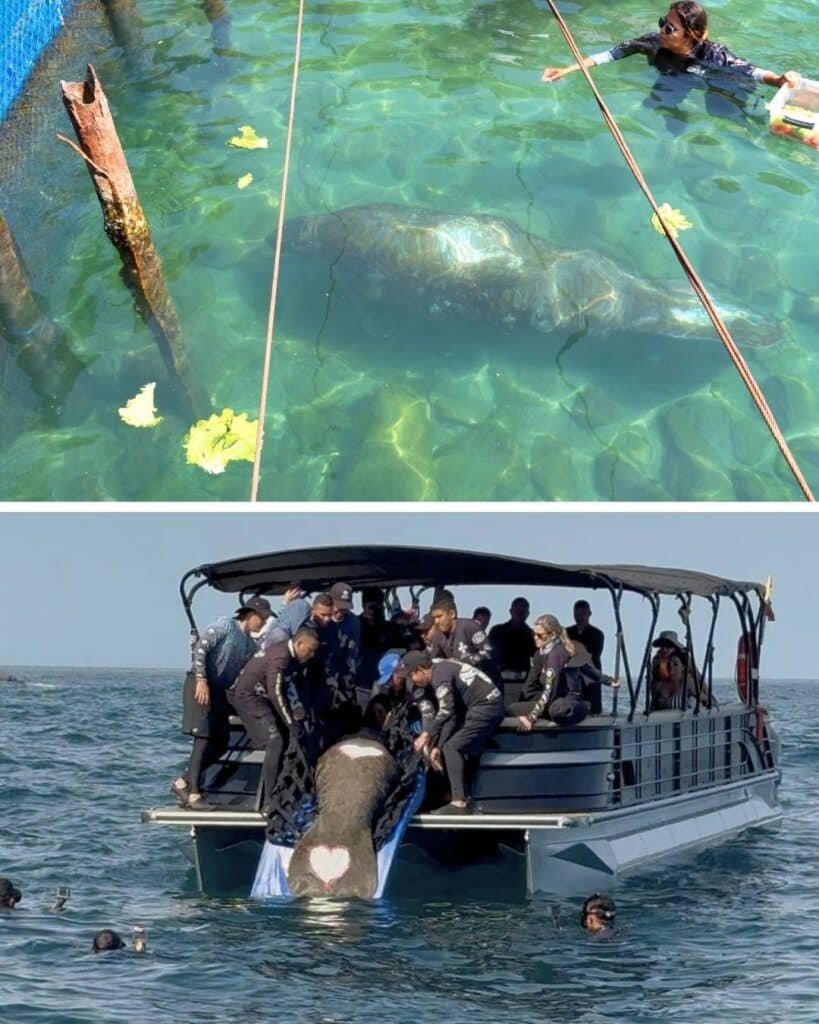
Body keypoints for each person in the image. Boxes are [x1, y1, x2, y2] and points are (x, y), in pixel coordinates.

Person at [541, 2, 800, 90]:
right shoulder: (653, 43)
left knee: (721, 107)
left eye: (670, 28)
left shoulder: (713, 54)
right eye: (664, 22)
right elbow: (610, 55)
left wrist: (778, 80)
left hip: (716, 81)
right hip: (673, 78)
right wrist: (567, 69)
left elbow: (751, 71)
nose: (662, 29)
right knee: (658, 105)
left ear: (693, 35)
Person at [174, 596, 272, 810]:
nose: (263, 623)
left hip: (219, 690)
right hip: (200, 684)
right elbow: (201, 648)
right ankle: (193, 794)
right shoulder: (225, 625)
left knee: (221, 740)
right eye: (262, 618)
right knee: (204, 737)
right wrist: (201, 679)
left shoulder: (250, 644)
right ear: (251, 614)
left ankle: (183, 781)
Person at [229, 628, 320, 813]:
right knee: (275, 741)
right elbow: (276, 691)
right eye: (310, 650)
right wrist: (290, 722)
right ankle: (269, 799)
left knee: (289, 739)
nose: (312, 655)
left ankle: (287, 788)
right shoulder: (281, 657)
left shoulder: (291, 658)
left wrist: (298, 711)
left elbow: (290, 687)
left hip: (262, 697)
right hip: (249, 697)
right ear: (299, 644)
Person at [402, 650, 504, 814]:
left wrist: (426, 735)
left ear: (420, 670)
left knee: (452, 748)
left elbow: (446, 710)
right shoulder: (439, 665)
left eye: (411, 676)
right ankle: (466, 797)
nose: (412, 681)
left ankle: (458, 802)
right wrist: (438, 747)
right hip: (482, 707)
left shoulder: (439, 678)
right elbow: (452, 717)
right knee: (452, 747)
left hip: (486, 708)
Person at [511, 616, 618, 730]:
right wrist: (609, 681)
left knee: (555, 710)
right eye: (534, 634)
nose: (535, 638)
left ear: (552, 635)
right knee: (514, 708)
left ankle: (581, 709)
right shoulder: (541, 654)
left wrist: (532, 717)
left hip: (566, 703)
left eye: (540, 635)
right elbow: (587, 669)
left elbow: (549, 690)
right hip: (554, 700)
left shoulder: (556, 654)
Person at [428, 596, 494, 678]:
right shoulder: (438, 637)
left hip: (482, 681)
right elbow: (435, 662)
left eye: (439, 616)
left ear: (452, 614)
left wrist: (462, 662)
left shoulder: (470, 627)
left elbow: (488, 653)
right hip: (457, 683)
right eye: (434, 618)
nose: (436, 621)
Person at [649, 629, 706, 710]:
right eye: (662, 646)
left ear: (675, 648)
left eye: (668, 646)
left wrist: (708, 696)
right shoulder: (657, 660)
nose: (664, 649)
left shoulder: (684, 659)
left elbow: (698, 677)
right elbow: (653, 681)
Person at [566, 600, 606, 713]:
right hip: (571, 679)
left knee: (593, 710)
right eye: (577, 614)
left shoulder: (597, 634)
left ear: (589, 614)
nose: (580, 617)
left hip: (590, 678)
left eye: (583, 614)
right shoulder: (567, 633)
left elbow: (593, 654)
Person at [488, 597, 535, 684]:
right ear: (511, 611)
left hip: (523, 681)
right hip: (498, 680)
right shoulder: (497, 631)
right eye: (517, 611)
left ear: (527, 614)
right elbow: (488, 655)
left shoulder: (532, 635)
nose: (519, 614)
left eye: (522, 612)